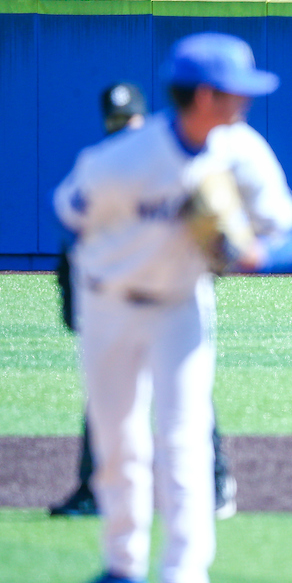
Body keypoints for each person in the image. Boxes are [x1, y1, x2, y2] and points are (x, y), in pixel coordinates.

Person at [46, 34, 292, 583]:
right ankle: (121, 577)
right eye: (237, 90)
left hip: (182, 306)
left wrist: (255, 254)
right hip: (108, 302)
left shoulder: (243, 152)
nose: (247, 101)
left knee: (182, 439)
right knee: (117, 442)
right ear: (206, 95)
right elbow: (72, 214)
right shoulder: (121, 162)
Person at [49, 82, 238, 521]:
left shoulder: (173, 164)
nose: (124, 128)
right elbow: (73, 237)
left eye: (130, 120)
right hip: (117, 304)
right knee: (107, 403)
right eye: (116, 122)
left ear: (143, 117)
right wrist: (74, 304)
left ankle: (216, 483)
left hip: (175, 302)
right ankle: (93, 494)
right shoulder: (106, 169)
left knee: (187, 400)